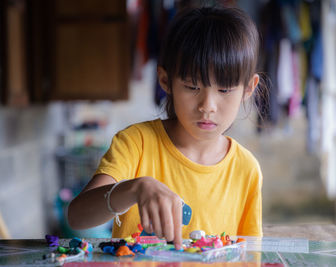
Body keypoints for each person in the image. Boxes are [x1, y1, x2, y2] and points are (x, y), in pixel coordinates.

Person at [68, 6, 267, 250]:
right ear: (165, 81)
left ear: (248, 88)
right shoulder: (136, 143)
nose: (207, 106)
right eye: (192, 87)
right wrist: (134, 188)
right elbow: (77, 217)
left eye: (224, 90)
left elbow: (249, 256)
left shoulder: (246, 170)